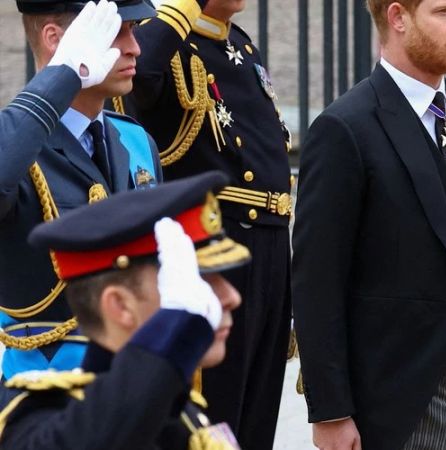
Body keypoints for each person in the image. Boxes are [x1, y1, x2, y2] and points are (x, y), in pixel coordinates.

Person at [292, 0, 446, 448]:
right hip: (395, 394)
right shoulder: (346, 127)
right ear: (398, 18)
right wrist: (331, 410)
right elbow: (317, 281)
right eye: (445, 11)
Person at [125, 0, 294, 445]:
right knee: (217, 423)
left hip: (271, 254)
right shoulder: (168, 42)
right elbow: (139, 75)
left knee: (257, 422)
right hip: (218, 258)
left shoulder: (238, 43)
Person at [0, 171, 246, 449]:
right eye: (194, 281)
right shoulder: (42, 422)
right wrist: (176, 332)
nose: (231, 297)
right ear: (120, 306)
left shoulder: (178, 412)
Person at [0, 0, 161, 382]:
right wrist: (63, 75)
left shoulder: (135, 139)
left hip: (138, 384)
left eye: (133, 30)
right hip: (51, 394)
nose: (134, 47)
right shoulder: (17, 147)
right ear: (56, 40)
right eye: (114, 32)